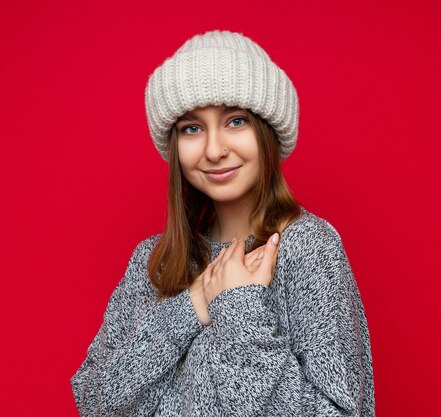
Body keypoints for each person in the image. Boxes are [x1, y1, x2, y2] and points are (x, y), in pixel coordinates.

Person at [70, 29, 375, 416]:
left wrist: (239, 309)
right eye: (192, 128)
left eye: (235, 121)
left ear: (267, 132)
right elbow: (93, 400)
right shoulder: (154, 260)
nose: (214, 149)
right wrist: (191, 306)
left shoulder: (308, 248)